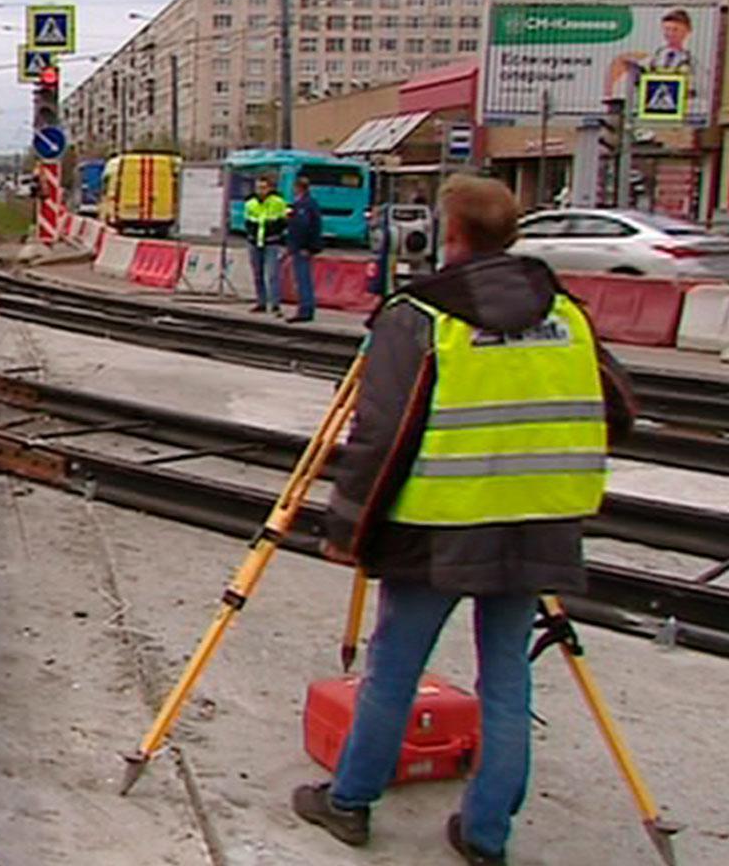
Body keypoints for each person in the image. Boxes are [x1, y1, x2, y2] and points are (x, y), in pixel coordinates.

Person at [292, 175, 635, 866]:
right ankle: (486, 836)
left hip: (437, 527)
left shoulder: (420, 314)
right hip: (540, 523)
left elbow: (379, 434)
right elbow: (618, 411)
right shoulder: (566, 312)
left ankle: (351, 802)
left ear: (450, 235)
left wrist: (346, 530)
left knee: (393, 668)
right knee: (507, 677)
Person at [244, 176, 288, 314]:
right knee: (258, 274)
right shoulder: (250, 203)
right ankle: (261, 302)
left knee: (272, 275)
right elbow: (247, 221)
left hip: (271, 242)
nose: (260, 191)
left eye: (263, 187)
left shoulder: (278, 202)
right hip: (254, 242)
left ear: (270, 188)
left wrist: (275, 232)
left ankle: (275, 304)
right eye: (258, 187)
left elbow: (283, 222)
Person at [284, 175, 324, 323]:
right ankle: (305, 308)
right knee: (302, 279)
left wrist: (305, 246)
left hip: (302, 248)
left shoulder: (304, 205)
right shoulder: (305, 204)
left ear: (298, 188)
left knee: (303, 279)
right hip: (300, 247)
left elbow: (305, 227)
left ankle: (305, 310)